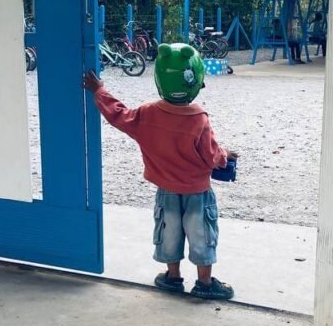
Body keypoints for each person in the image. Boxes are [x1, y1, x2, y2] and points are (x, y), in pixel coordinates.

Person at [83, 43, 237, 301]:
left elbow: (118, 115)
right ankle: (205, 282)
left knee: (169, 231)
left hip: (166, 191)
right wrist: (226, 156)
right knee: (202, 234)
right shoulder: (199, 120)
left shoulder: (147, 114)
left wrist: (100, 91)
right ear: (196, 82)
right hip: (198, 192)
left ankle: (172, 277)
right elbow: (212, 156)